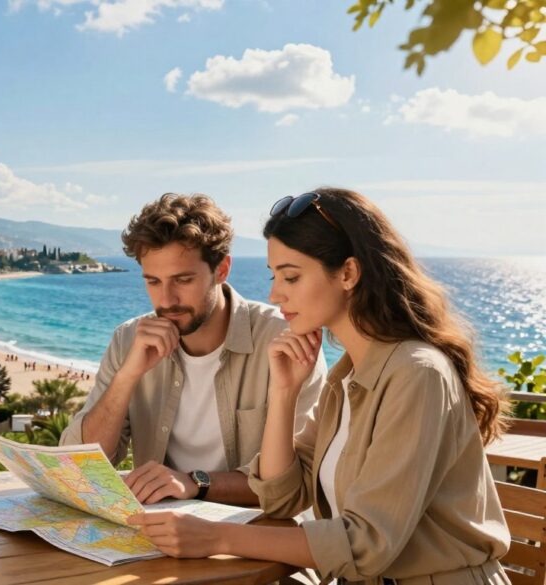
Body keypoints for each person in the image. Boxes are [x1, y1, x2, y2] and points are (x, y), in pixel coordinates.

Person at [128, 188, 511, 583]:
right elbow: (281, 496)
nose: (275, 294)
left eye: (291, 276)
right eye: (274, 276)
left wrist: (216, 537)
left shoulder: (416, 373)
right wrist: (284, 394)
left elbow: (367, 543)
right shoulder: (346, 377)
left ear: (348, 273)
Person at [61, 193, 325, 506]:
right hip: (160, 526)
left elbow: (292, 483)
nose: (166, 300)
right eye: (153, 282)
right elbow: (80, 466)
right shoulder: (128, 340)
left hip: (254, 528)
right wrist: (127, 376)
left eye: (183, 280)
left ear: (222, 269)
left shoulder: (283, 341)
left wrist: (193, 483)